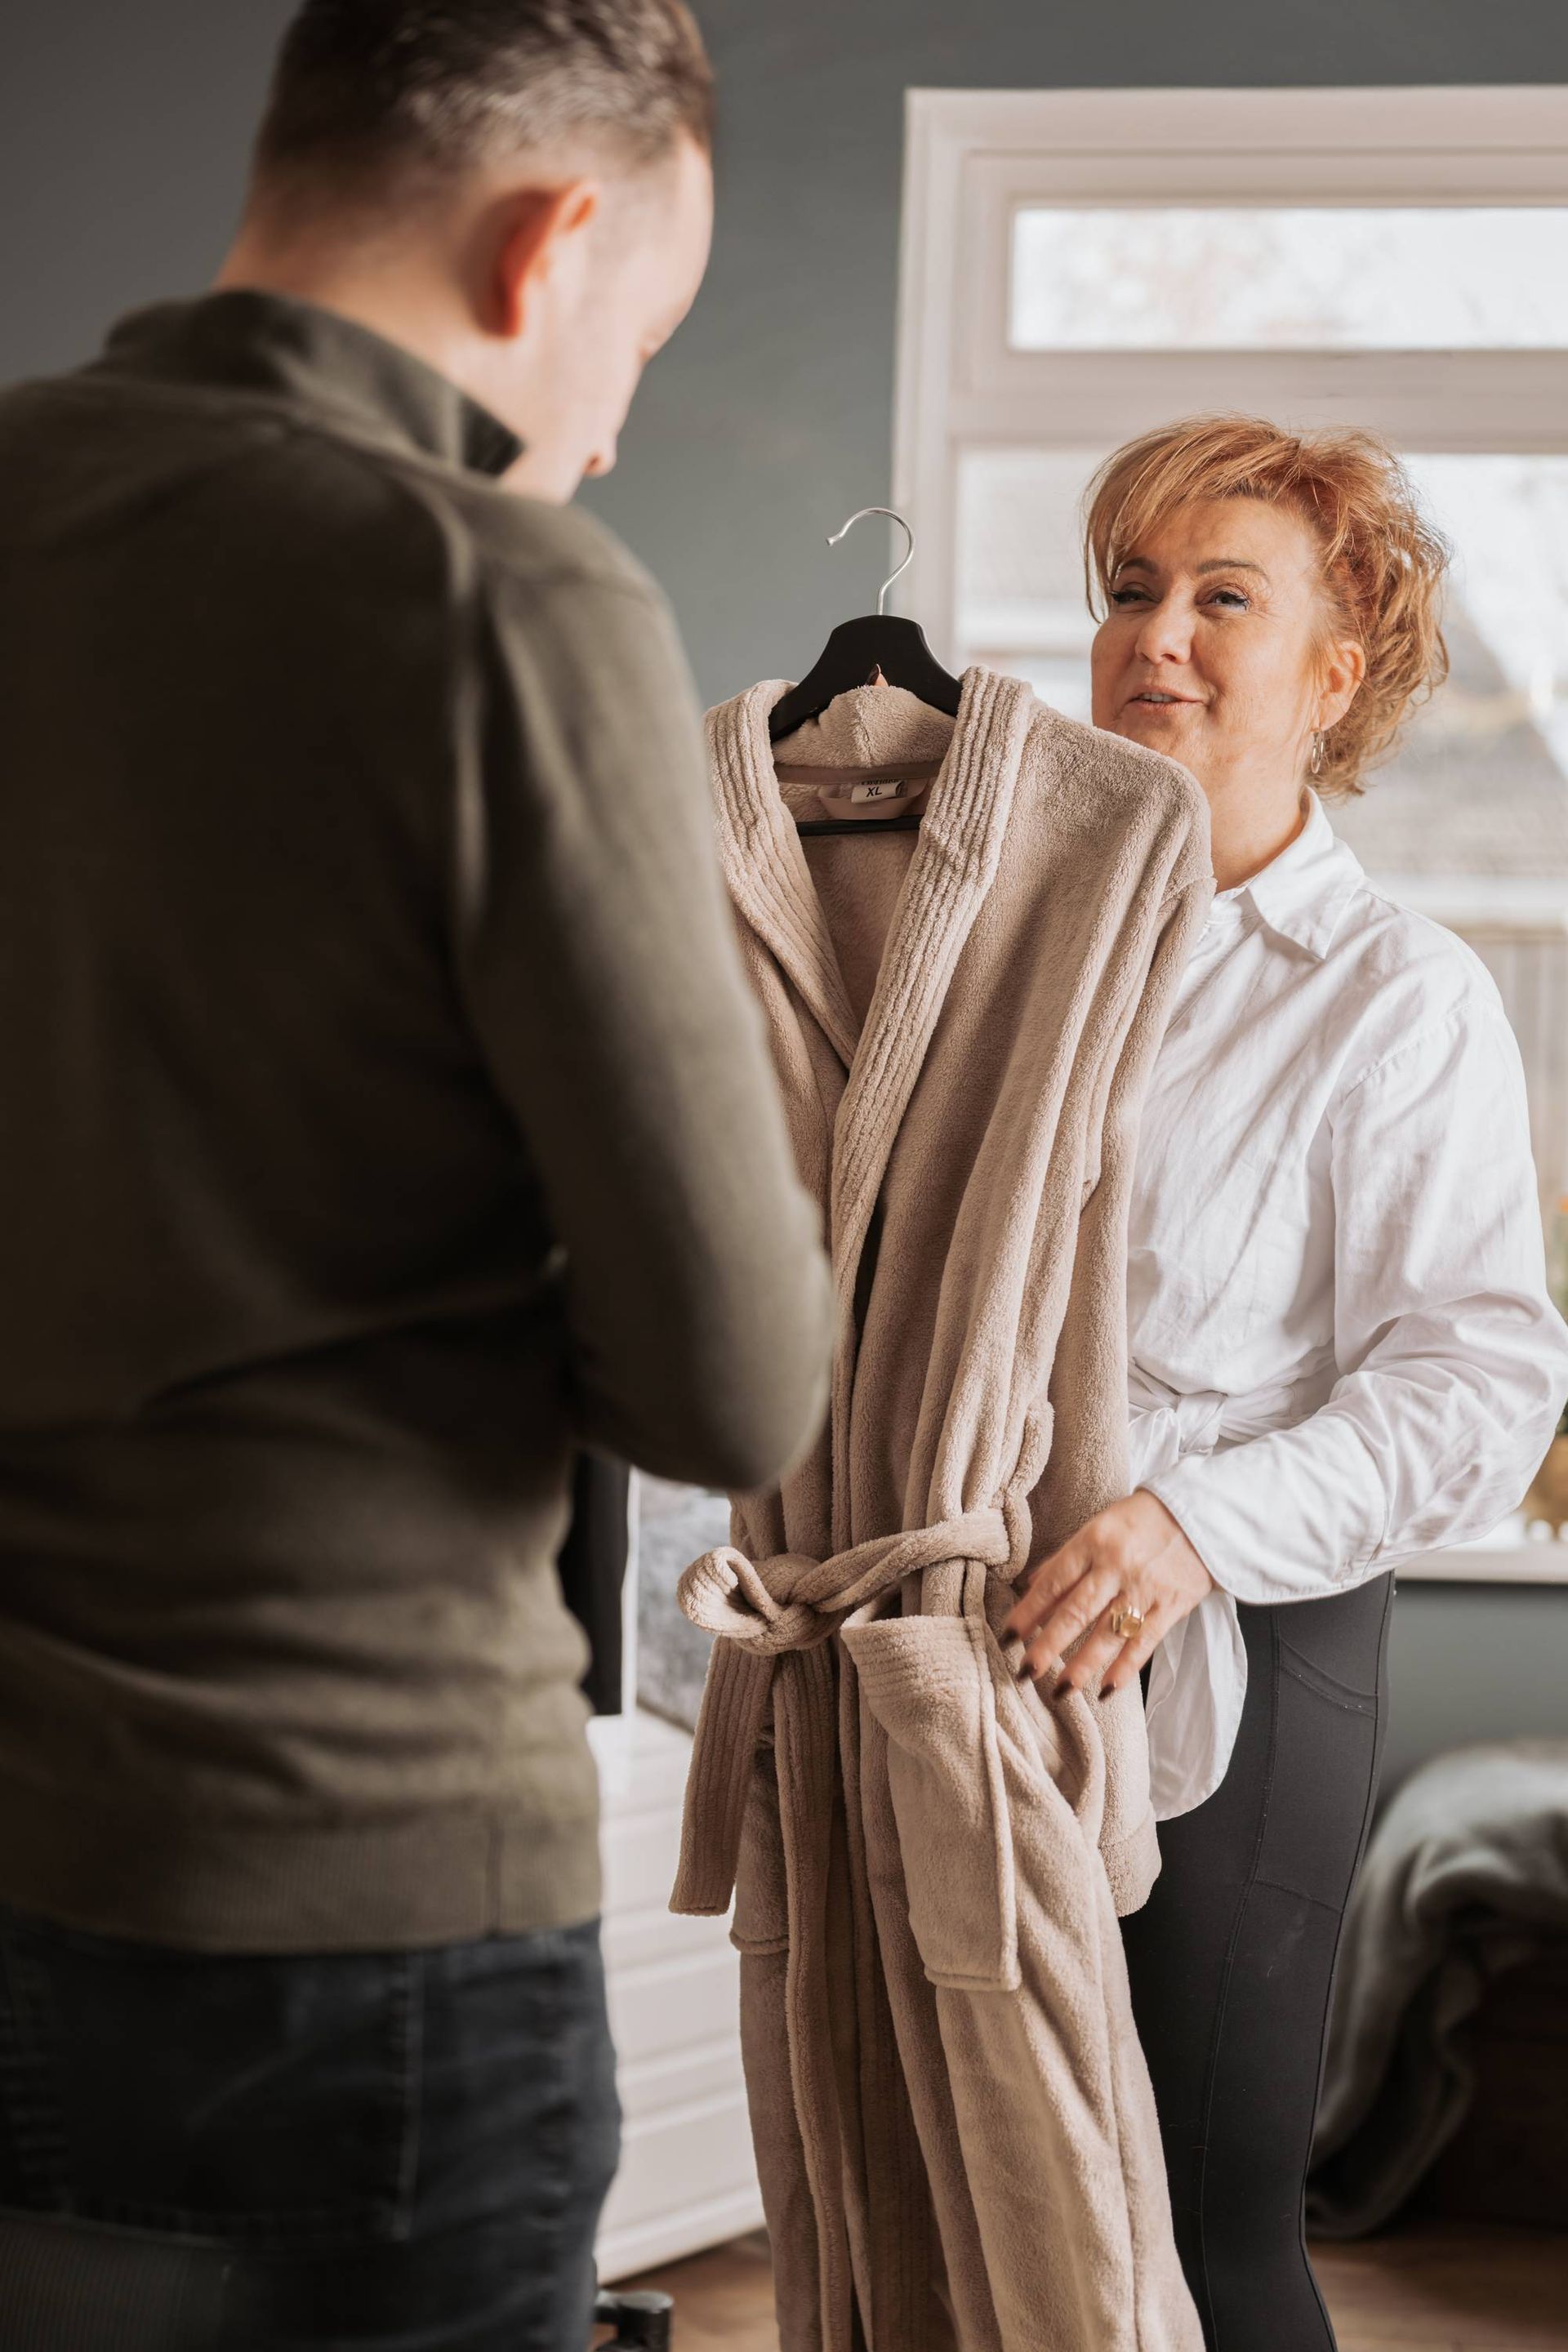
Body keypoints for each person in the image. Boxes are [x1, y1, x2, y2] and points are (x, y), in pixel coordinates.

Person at [0, 5, 833, 2346]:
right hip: (349, 1898)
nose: (612, 421)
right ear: (550, 239)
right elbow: (734, 1379)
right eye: (639, 340)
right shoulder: (500, 595)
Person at [1006, 416, 1568, 2351]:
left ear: (1335, 677)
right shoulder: (1006, 947)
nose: (1156, 636)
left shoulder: (1399, 996)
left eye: (1221, 597)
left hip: (1243, 1642)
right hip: (979, 1640)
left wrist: (1184, 1525)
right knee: (981, 2191)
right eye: (1129, 592)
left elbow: (1480, 1380)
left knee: (1201, 2229)